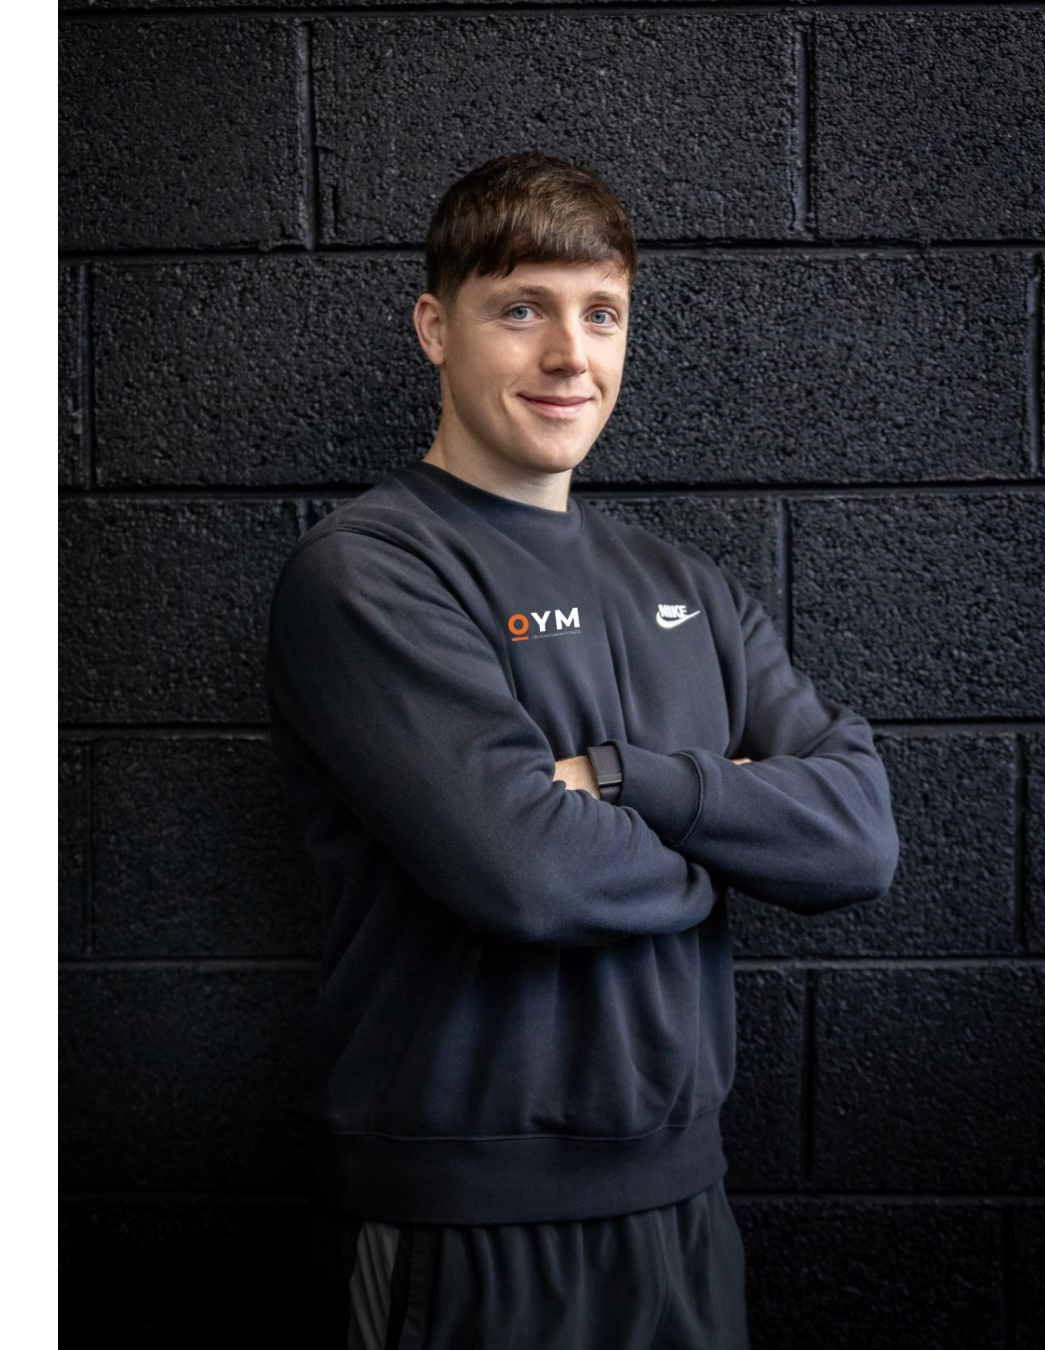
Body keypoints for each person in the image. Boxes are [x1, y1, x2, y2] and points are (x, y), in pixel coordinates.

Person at [266, 151, 899, 1350]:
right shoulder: (369, 572)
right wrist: (738, 826)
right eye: (522, 310)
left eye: (600, 313)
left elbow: (860, 837)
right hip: (465, 1227)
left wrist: (624, 783)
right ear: (433, 329)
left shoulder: (685, 587)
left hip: (684, 1207)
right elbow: (526, 872)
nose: (571, 356)